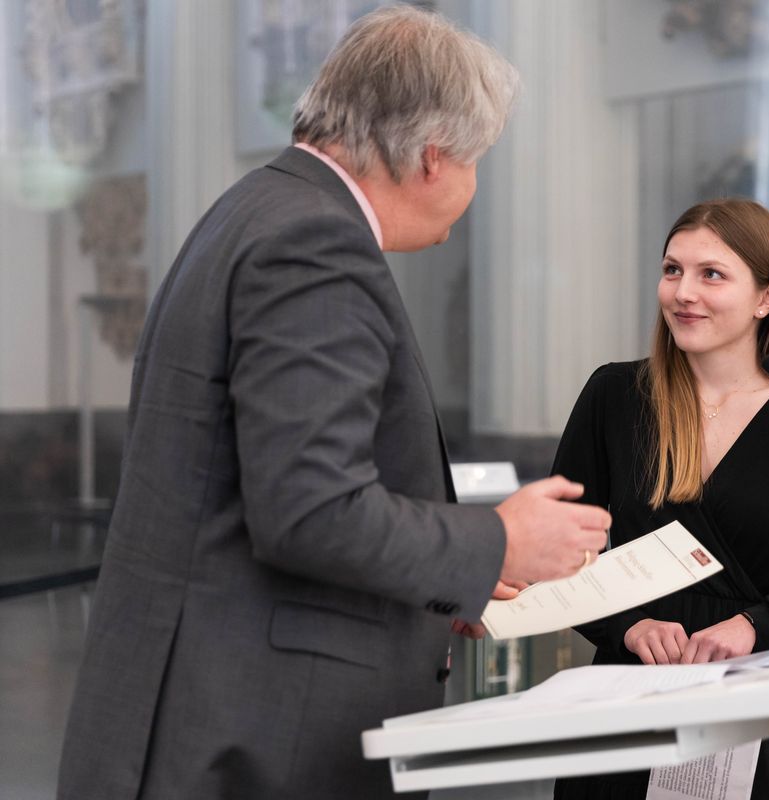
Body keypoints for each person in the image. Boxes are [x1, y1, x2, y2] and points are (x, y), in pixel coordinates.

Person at [57, 8, 609, 800]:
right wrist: (496, 541)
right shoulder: (314, 241)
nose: (473, 186)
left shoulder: (257, 208)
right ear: (431, 157)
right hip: (255, 738)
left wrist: (447, 580)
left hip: (206, 711)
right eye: (477, 160)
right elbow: (309, 508)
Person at [551, 198, 769, 799]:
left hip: (755, 711)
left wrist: (754, 626)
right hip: (626, 704)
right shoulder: (615, 396)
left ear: (766, 298)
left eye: (711, 274)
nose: (683, 292)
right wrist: (628, 625)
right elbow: (558, 556)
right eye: (672, 270)